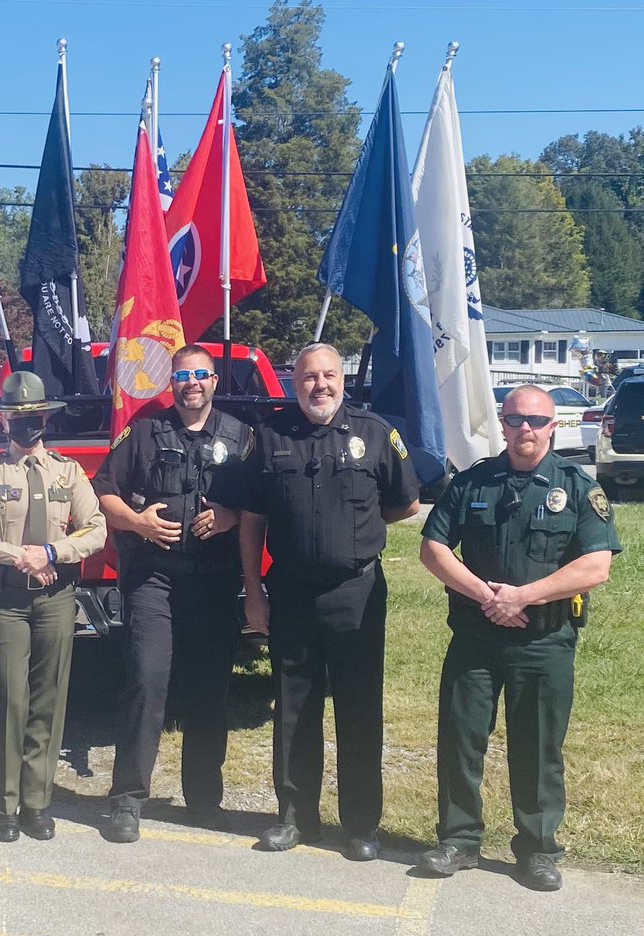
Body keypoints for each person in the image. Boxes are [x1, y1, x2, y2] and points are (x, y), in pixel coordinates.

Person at [221, 342, 420, 861]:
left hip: (355, 591)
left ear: (343, 380)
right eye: (309, 377)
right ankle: (294, 816)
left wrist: (354, 535)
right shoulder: (269, 438)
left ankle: (360, 826)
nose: (320, 386)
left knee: (359, 708)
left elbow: (405, 503)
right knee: (293, 706)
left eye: (330, 375)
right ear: (294, 382)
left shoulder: (375, 434)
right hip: (290, 590)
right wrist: (255, 590)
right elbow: (252, 520)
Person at [417, 384, 619, 892]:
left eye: (535, 420)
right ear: (502, 425)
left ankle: (538, 849)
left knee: (537, 748)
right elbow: (433, 549)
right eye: (514, 420)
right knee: (461, 741)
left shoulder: (576, 487)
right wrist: (490, 597)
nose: (524, 428)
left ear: (554, 427)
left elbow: (596, 566)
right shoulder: (474, 482)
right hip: (476, 640)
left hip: (544, 643)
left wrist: (523, 596)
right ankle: (459, 841)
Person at [92, 345, 251, 843]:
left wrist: (229, 517)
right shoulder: (142, 432)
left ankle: (204, 800)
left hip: (214, 581)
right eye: (183, 375)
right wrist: (137, 522)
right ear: (172, 383)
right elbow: (103, 491)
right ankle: (126, 801)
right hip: (153, 580)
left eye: (201, 374)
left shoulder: (242, 438)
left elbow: (262, 504)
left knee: (209, 690)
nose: (193, 383)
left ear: (214, 381)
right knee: (146, 682)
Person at [0, 371, 107, 843]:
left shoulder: (69, 472)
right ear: (4, 422)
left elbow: (96, 528)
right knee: (8, 702)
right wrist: (18, 554)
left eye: (34, 416)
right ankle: (4, 804)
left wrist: (53, 553)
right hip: (4, 601)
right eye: (18, 418)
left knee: (49, 699)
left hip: (56, 598)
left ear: (46, 418)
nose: (27, 425)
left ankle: (36, 803)